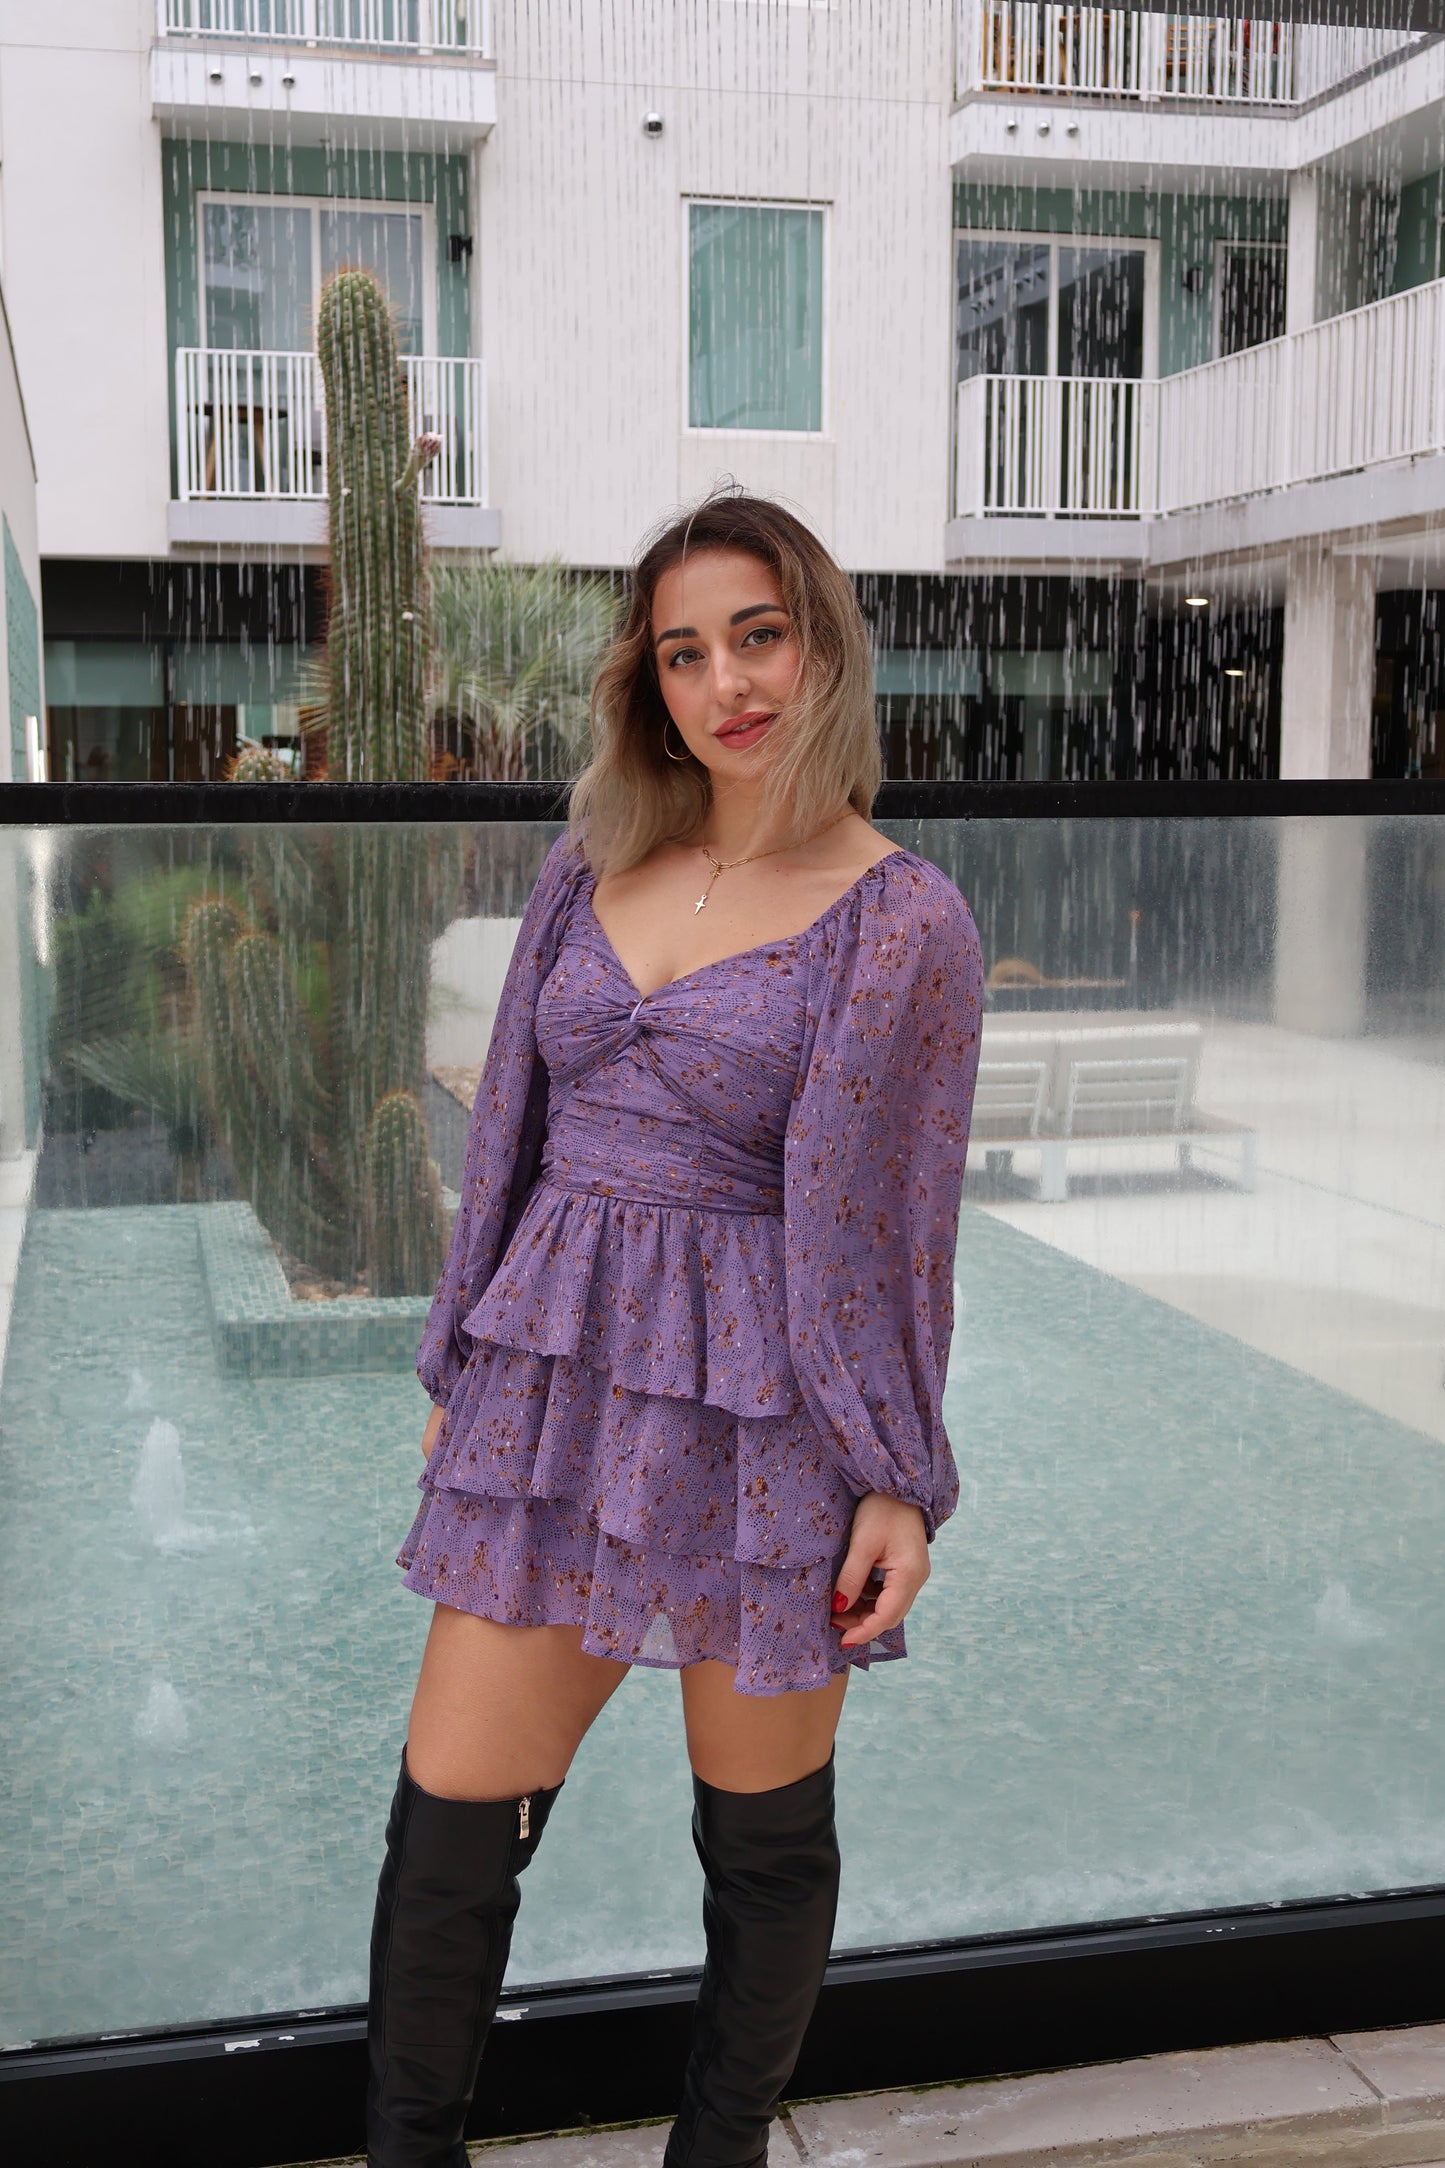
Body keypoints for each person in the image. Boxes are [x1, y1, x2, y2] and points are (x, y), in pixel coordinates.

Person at [366, 490, 985, 2168]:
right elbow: (504, 1129)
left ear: (823, 644)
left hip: (765, 1407)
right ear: (647, 680)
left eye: (758, 634)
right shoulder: (595, 862)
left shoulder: (902, 917)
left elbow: (892, 1231)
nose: (726, 682)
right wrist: (464, 1366)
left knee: (762, 1839)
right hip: (553, 1387)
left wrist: (894, 1482)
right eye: (683, 649)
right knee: (448, 1829)